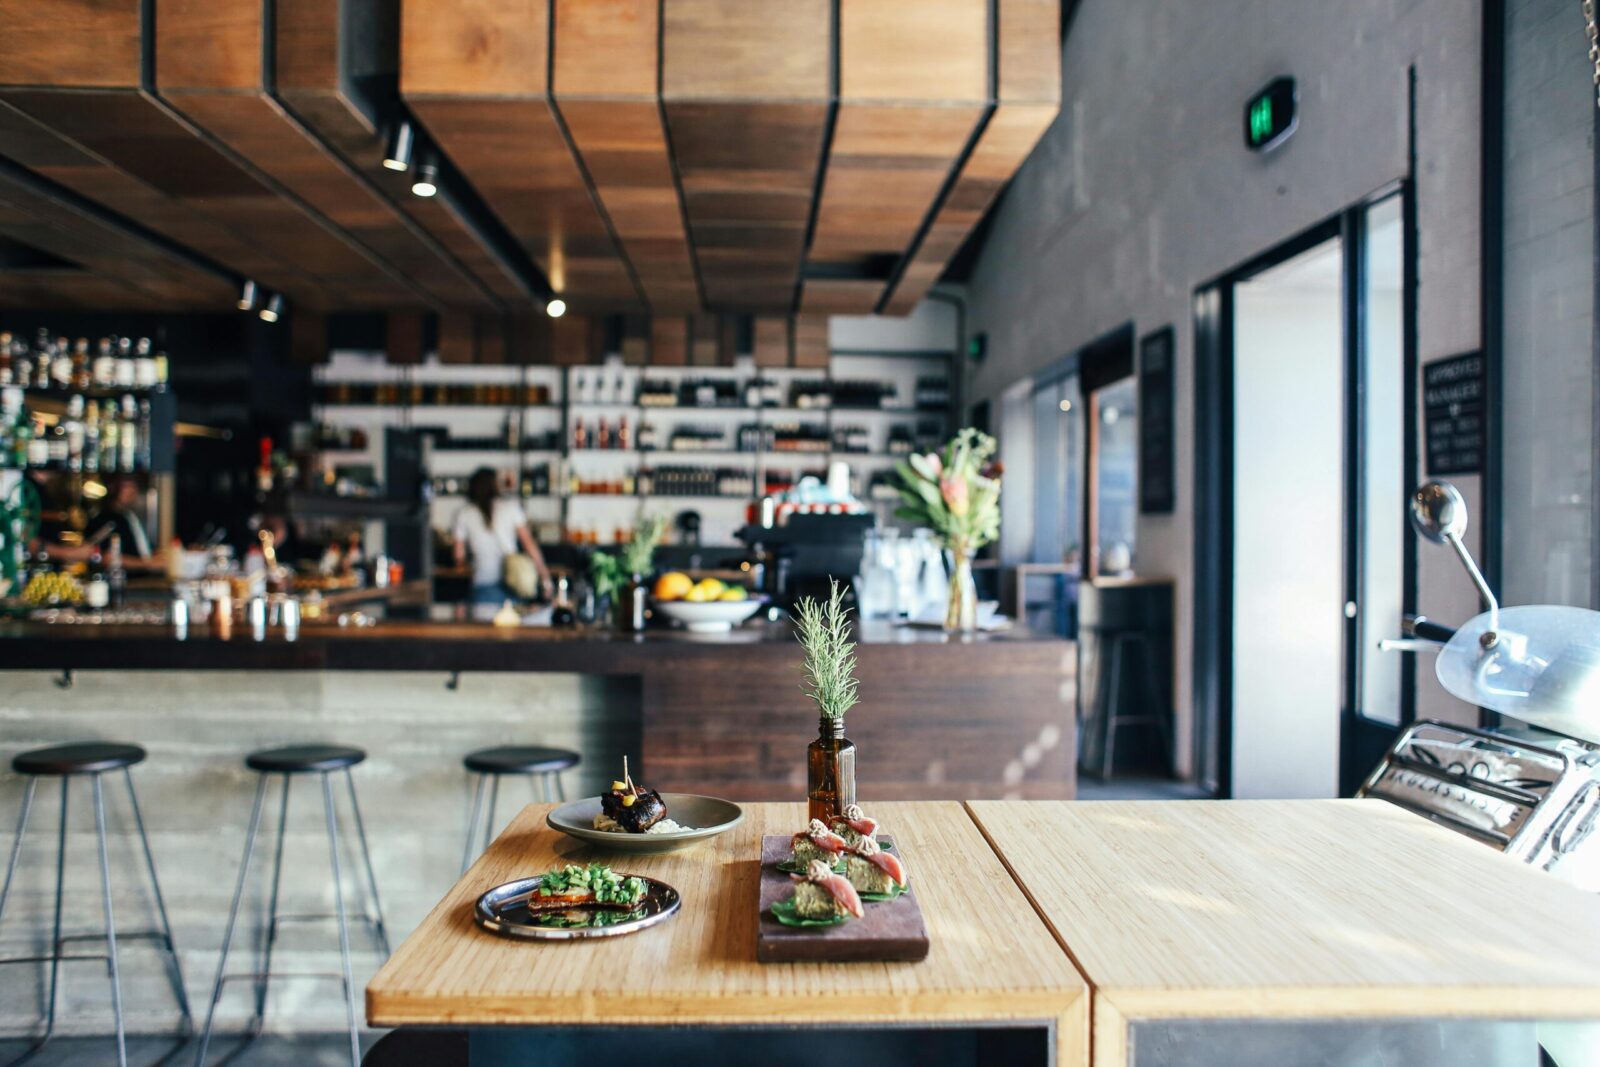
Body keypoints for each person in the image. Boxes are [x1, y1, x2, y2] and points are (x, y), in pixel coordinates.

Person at [453, 468, 550, 606]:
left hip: (482, 585)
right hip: (514, 583)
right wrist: (544, 576)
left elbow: (458, 556)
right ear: (495, 485)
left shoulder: (464, 514)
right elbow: (529, 545)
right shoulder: (511, 508)